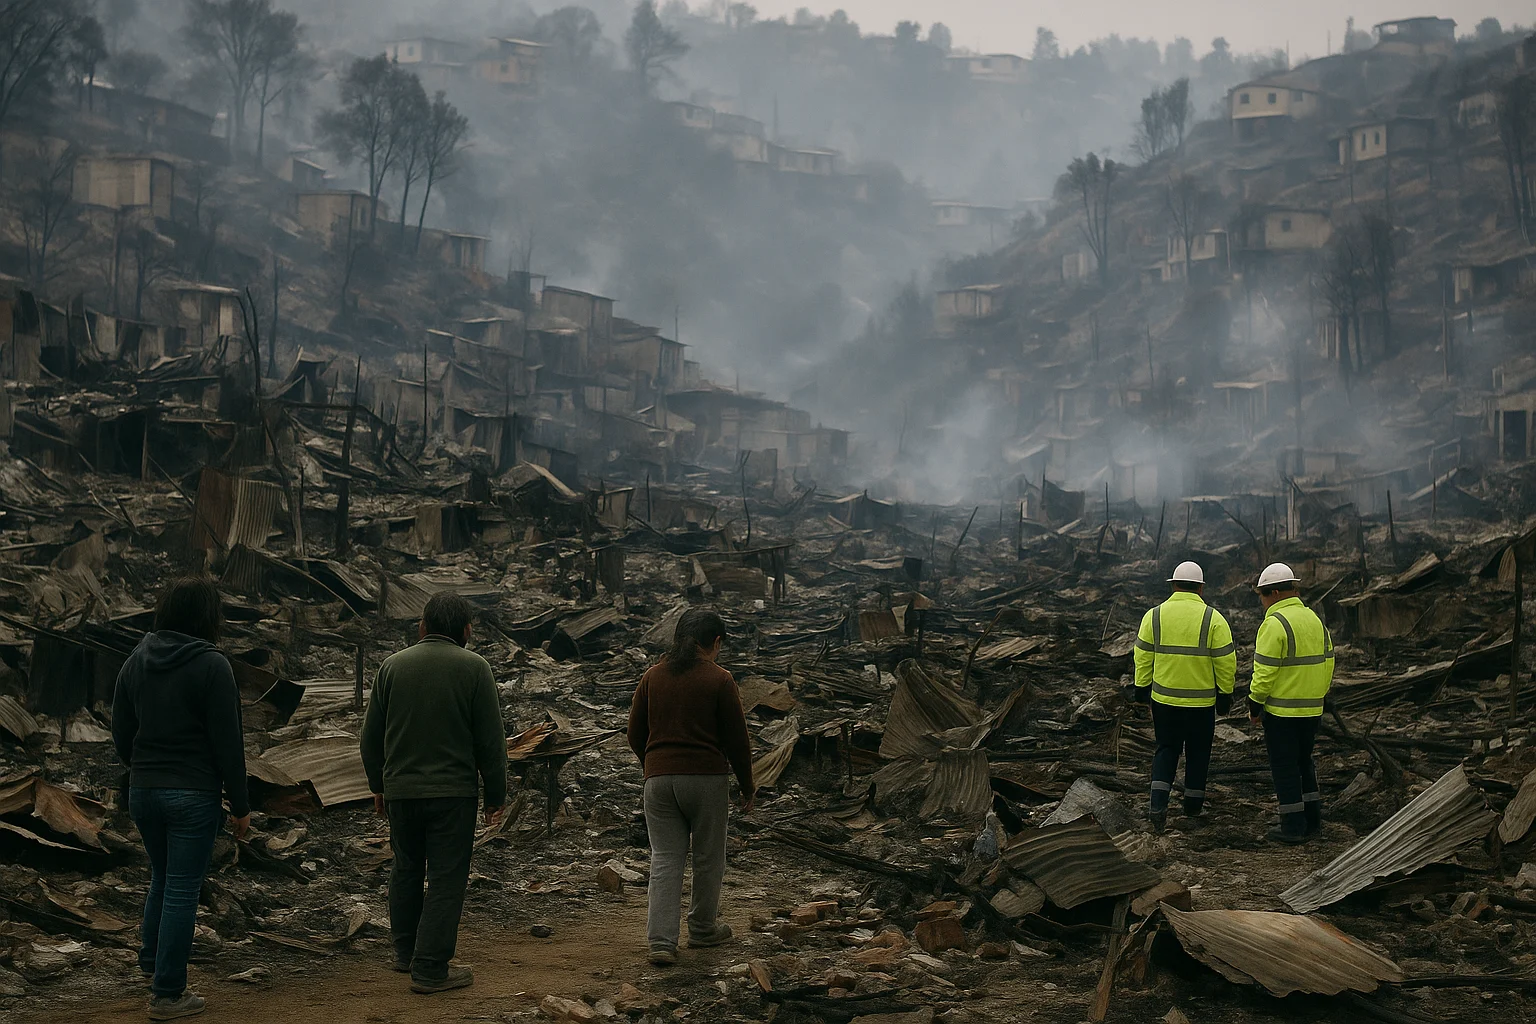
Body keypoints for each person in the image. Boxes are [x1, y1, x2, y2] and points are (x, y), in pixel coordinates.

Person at [112, 576, 248, 1022]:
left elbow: (120, 731)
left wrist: (142, 769)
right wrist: (241, 805)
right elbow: (228, 743)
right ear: (208, 617)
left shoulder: (136, 660)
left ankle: (152, 962)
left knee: (162, 876)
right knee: (182, 887)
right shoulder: (213, 665)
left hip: (143, 791)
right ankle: (168, 994)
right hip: (192, 792)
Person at [360, 593, 507, 995]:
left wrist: (378, 785)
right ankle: (430, 969)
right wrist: (496, 795)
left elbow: (370, 738)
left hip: (402, 793)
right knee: (446, 876)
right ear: (467, 631)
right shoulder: (475, 668)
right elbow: (490, 742)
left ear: (422, 627)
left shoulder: (391, 667)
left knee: (406, 868)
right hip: (452, 795)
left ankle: (405, 953)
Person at [627, 608, 755, 967]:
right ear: (715, 641)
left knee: (665, 858)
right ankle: (702, 929)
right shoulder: (720, 679)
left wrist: (655, 764)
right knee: (708, 857)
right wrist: (747, 786)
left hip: (658, 781)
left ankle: (661, 942)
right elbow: (737, 741)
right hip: (706, 780)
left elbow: (634, 733)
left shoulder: (652, 676)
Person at [1131, 560, 1236, 829]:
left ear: (1173, 585)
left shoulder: (1153, 616)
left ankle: (1157, 806)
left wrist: (1141, 689)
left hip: (1164, 702)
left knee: (1166, 750)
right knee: (1198, 754)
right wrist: (1225, 694)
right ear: (1201, 588)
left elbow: (1142, 657)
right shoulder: (1214, 619)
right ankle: (1192, 808)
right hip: (1201, 704)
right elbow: (1226, 662)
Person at [1249, 562, 1335, 844]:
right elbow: (1329, 661)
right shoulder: (1314, 620)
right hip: (1312, 709)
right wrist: (1318, 694)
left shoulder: (1274, 624)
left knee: (1285, 768)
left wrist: (1254, 704)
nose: (1262, 602)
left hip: (1282, 713)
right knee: (1304, 763)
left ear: (1274, 593)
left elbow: (1264, 672)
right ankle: (1312, 820)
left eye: (1262, 596)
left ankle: (1292, 826)